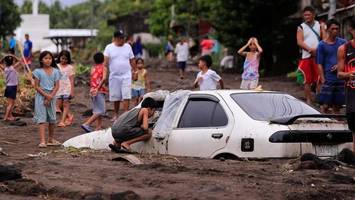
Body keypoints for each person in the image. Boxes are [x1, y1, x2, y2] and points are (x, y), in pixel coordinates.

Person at [103, 30, 135, 121]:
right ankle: (116, 114)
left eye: (123, 38)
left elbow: (132, 60)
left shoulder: (128, 46)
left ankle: (125, 114)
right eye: (121, 38)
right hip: (114, 75)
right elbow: (105, 63)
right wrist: (103, 75)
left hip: (126, 74)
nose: (123, 39)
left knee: (126, 95)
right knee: (115, 96)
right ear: (116, 38)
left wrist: (135, 71)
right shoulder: (109, 47)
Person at [316, 19, 346, 114]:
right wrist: (322, 78)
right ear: (328, 29)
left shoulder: (343, 43)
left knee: (338, 105)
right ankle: (324, 123)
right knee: (325, 105)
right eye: (333, 29)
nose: (335, 31)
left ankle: (339, 126)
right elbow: (319, 63)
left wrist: (339, 65)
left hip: (341, 77)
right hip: (328, 78)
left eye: (337, 29)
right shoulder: (321, 45)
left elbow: (348, 58)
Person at [32, 51, 62, 148]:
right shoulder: (38, 72)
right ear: (41, 60)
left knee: (52, 119)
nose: (48, 60)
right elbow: (36, 86)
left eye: (50, 58)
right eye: (45, 58)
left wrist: (50, 96)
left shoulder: (56, 71)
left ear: (52, 60)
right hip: (41, 97)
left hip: (52, 97)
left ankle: (50, 139)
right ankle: (42, 141)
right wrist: (46, 95)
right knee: (42, 119)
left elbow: (57, 86)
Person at [297, 6, 324, 104]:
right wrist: (310, 49)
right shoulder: (301, 27)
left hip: (318, 56)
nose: (306, 16)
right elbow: (299, 42)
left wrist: (317, 50)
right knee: (307, 80)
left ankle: (319, 99)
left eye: (308, 14)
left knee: (319, 79)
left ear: (313, 14)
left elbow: (324, 39)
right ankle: (308, 100)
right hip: (306, 56)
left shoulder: (320, 25)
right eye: (305, 15)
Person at [337, 16, 355, 153]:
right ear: (351, 31)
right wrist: (349, 75)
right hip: (352, 93)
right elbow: (339, 73)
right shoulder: (344, 48)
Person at [81, 52, 108, 132]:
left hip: (92, 90)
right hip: (98, 90)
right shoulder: (104, 68)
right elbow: (103, 79)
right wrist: (99, 88)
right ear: (103, 59)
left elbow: (93, 80)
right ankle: (87, 124)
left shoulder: (93, 68)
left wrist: (94, 88)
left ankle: (98, 127)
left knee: (97, 109)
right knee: (101, 110)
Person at [56, 50, 75, 127]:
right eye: (62, 58)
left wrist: (72, 91)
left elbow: (71, 79)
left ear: (68, 59)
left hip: (67, 88)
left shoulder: (70, 67)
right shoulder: (56, 66)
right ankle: (69, 115)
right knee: (59, 106)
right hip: (58, 89)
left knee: (65, 105)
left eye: (65, 59)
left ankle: (62, 121)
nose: (63, 60)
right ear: (59, 57)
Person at [0, 55, 21, 121]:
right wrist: (12, 56)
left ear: (5, 62)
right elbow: (20, 61)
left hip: (9, 87)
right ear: (12, 62)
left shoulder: (5, 69)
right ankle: (6, 118)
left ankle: (10, 116)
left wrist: (4, 57)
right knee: (11, 104)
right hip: (12, 87)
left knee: (12, 103)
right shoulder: (12, 68)